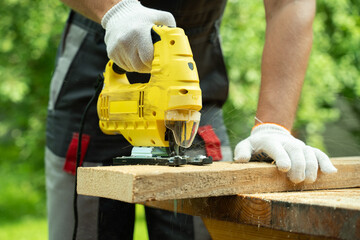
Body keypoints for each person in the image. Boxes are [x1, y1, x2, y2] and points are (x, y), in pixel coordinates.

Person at [45, 0, 337, 239]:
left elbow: (289, 3)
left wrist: (273, 125)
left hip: (196, 63)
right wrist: (114, 10)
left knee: (206, 220)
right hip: (99, 49)